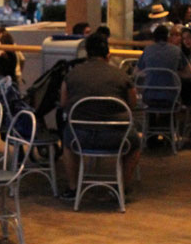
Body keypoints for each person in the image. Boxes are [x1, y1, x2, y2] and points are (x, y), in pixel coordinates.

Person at [58, 33, 142, 201]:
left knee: (67, 139)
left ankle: (74, 187)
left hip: (79, 138)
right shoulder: (121, 75)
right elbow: (132, 104)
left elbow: (63, 103)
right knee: (137, 141)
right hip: (117, 138)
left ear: (87, 54)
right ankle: (122, 187)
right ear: (108, 55)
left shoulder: (73, 74)